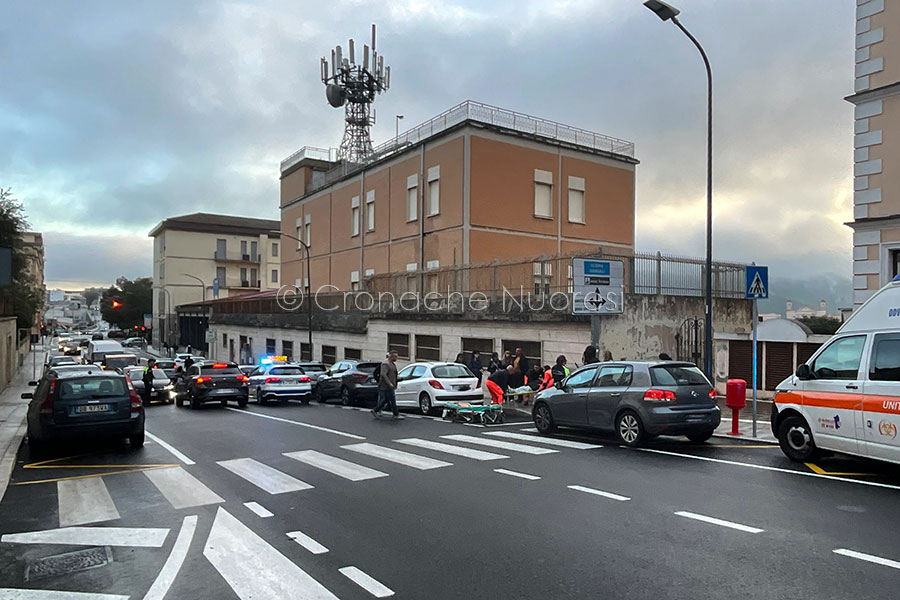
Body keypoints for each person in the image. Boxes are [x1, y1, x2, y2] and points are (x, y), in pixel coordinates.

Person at [373, 350, 400, 419]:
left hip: (390, 386)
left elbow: (393, 375)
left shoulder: (392, 364)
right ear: (391, 356)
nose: (396, 358)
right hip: (384, 385)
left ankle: (396, 414)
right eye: (395, 357)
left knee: (392, 400)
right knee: (384, 399)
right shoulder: (386, 364)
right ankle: (375, 410)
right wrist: (389, 383)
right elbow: (383, 374)